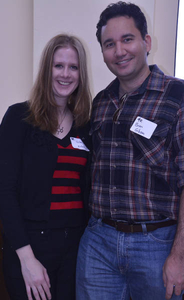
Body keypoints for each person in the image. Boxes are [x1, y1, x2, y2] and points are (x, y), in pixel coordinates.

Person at [76, 2, 184, 300]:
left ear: (146, 42)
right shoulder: (100, 103)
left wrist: (180, 257)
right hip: (99, 243)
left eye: (127, 39)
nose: (119, 51)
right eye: (109, 44)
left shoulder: (177, 97)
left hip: (158, 244)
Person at [0, 34, 91, 300]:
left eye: (73, 67)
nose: (66, 74)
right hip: (30, 247)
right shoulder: (18, 118)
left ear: (81, 74)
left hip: (75, 249)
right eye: (58, 65)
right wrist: (27, 259)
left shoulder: (86, 124)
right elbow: (4, 192)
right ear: (46, 68)